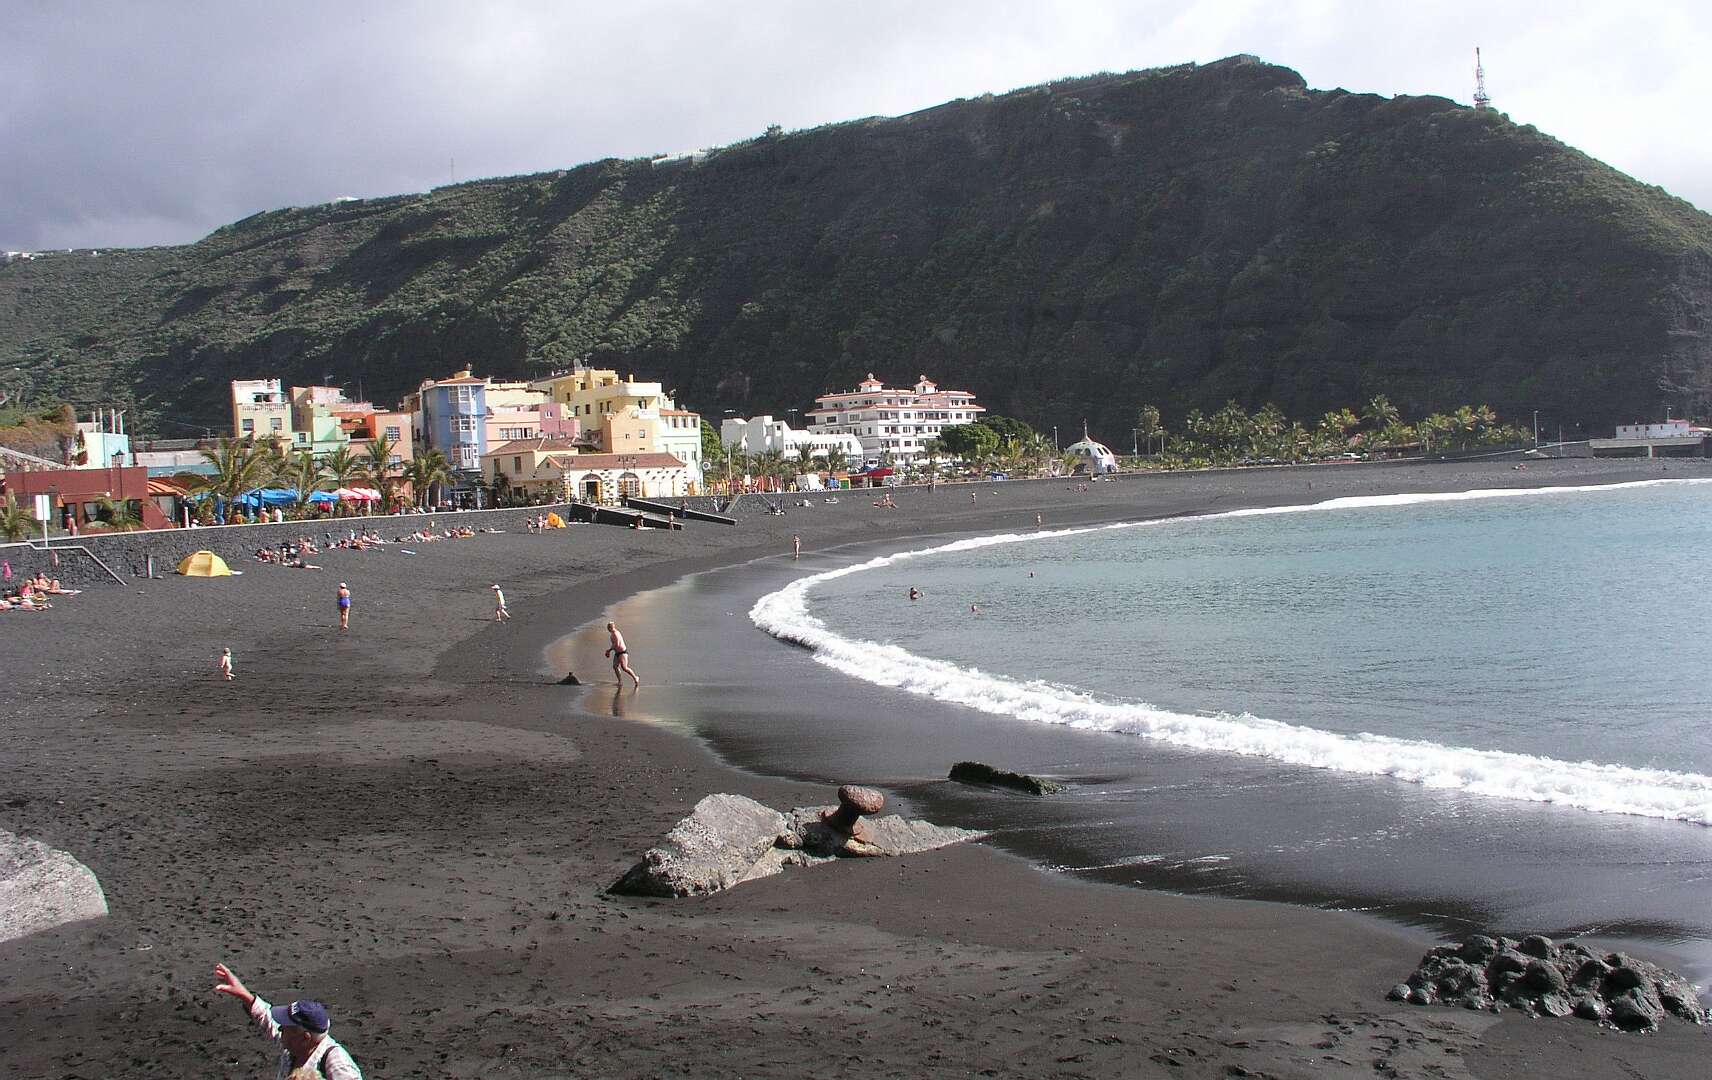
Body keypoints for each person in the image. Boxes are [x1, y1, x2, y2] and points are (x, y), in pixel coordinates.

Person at [212, 963, 362, 1079]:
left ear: (305, 1038)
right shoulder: (294, 1047)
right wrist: (244, 995)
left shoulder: (337, 1064)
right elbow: (268, 1020)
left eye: (285, 1026)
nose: (280, 1029)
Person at [604, 621, 641, 688]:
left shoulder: (615, 634)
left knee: (624, 667)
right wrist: (609, 651)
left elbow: (617, 644)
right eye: (608, 627)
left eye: (609, 627)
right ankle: (620, 681)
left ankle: (635, 677)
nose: (608, 629)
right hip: (617, 653)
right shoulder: (613, 633)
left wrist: (609, 650)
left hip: (622, 652)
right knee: (615, 666)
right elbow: (614, 644)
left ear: (612, 627)